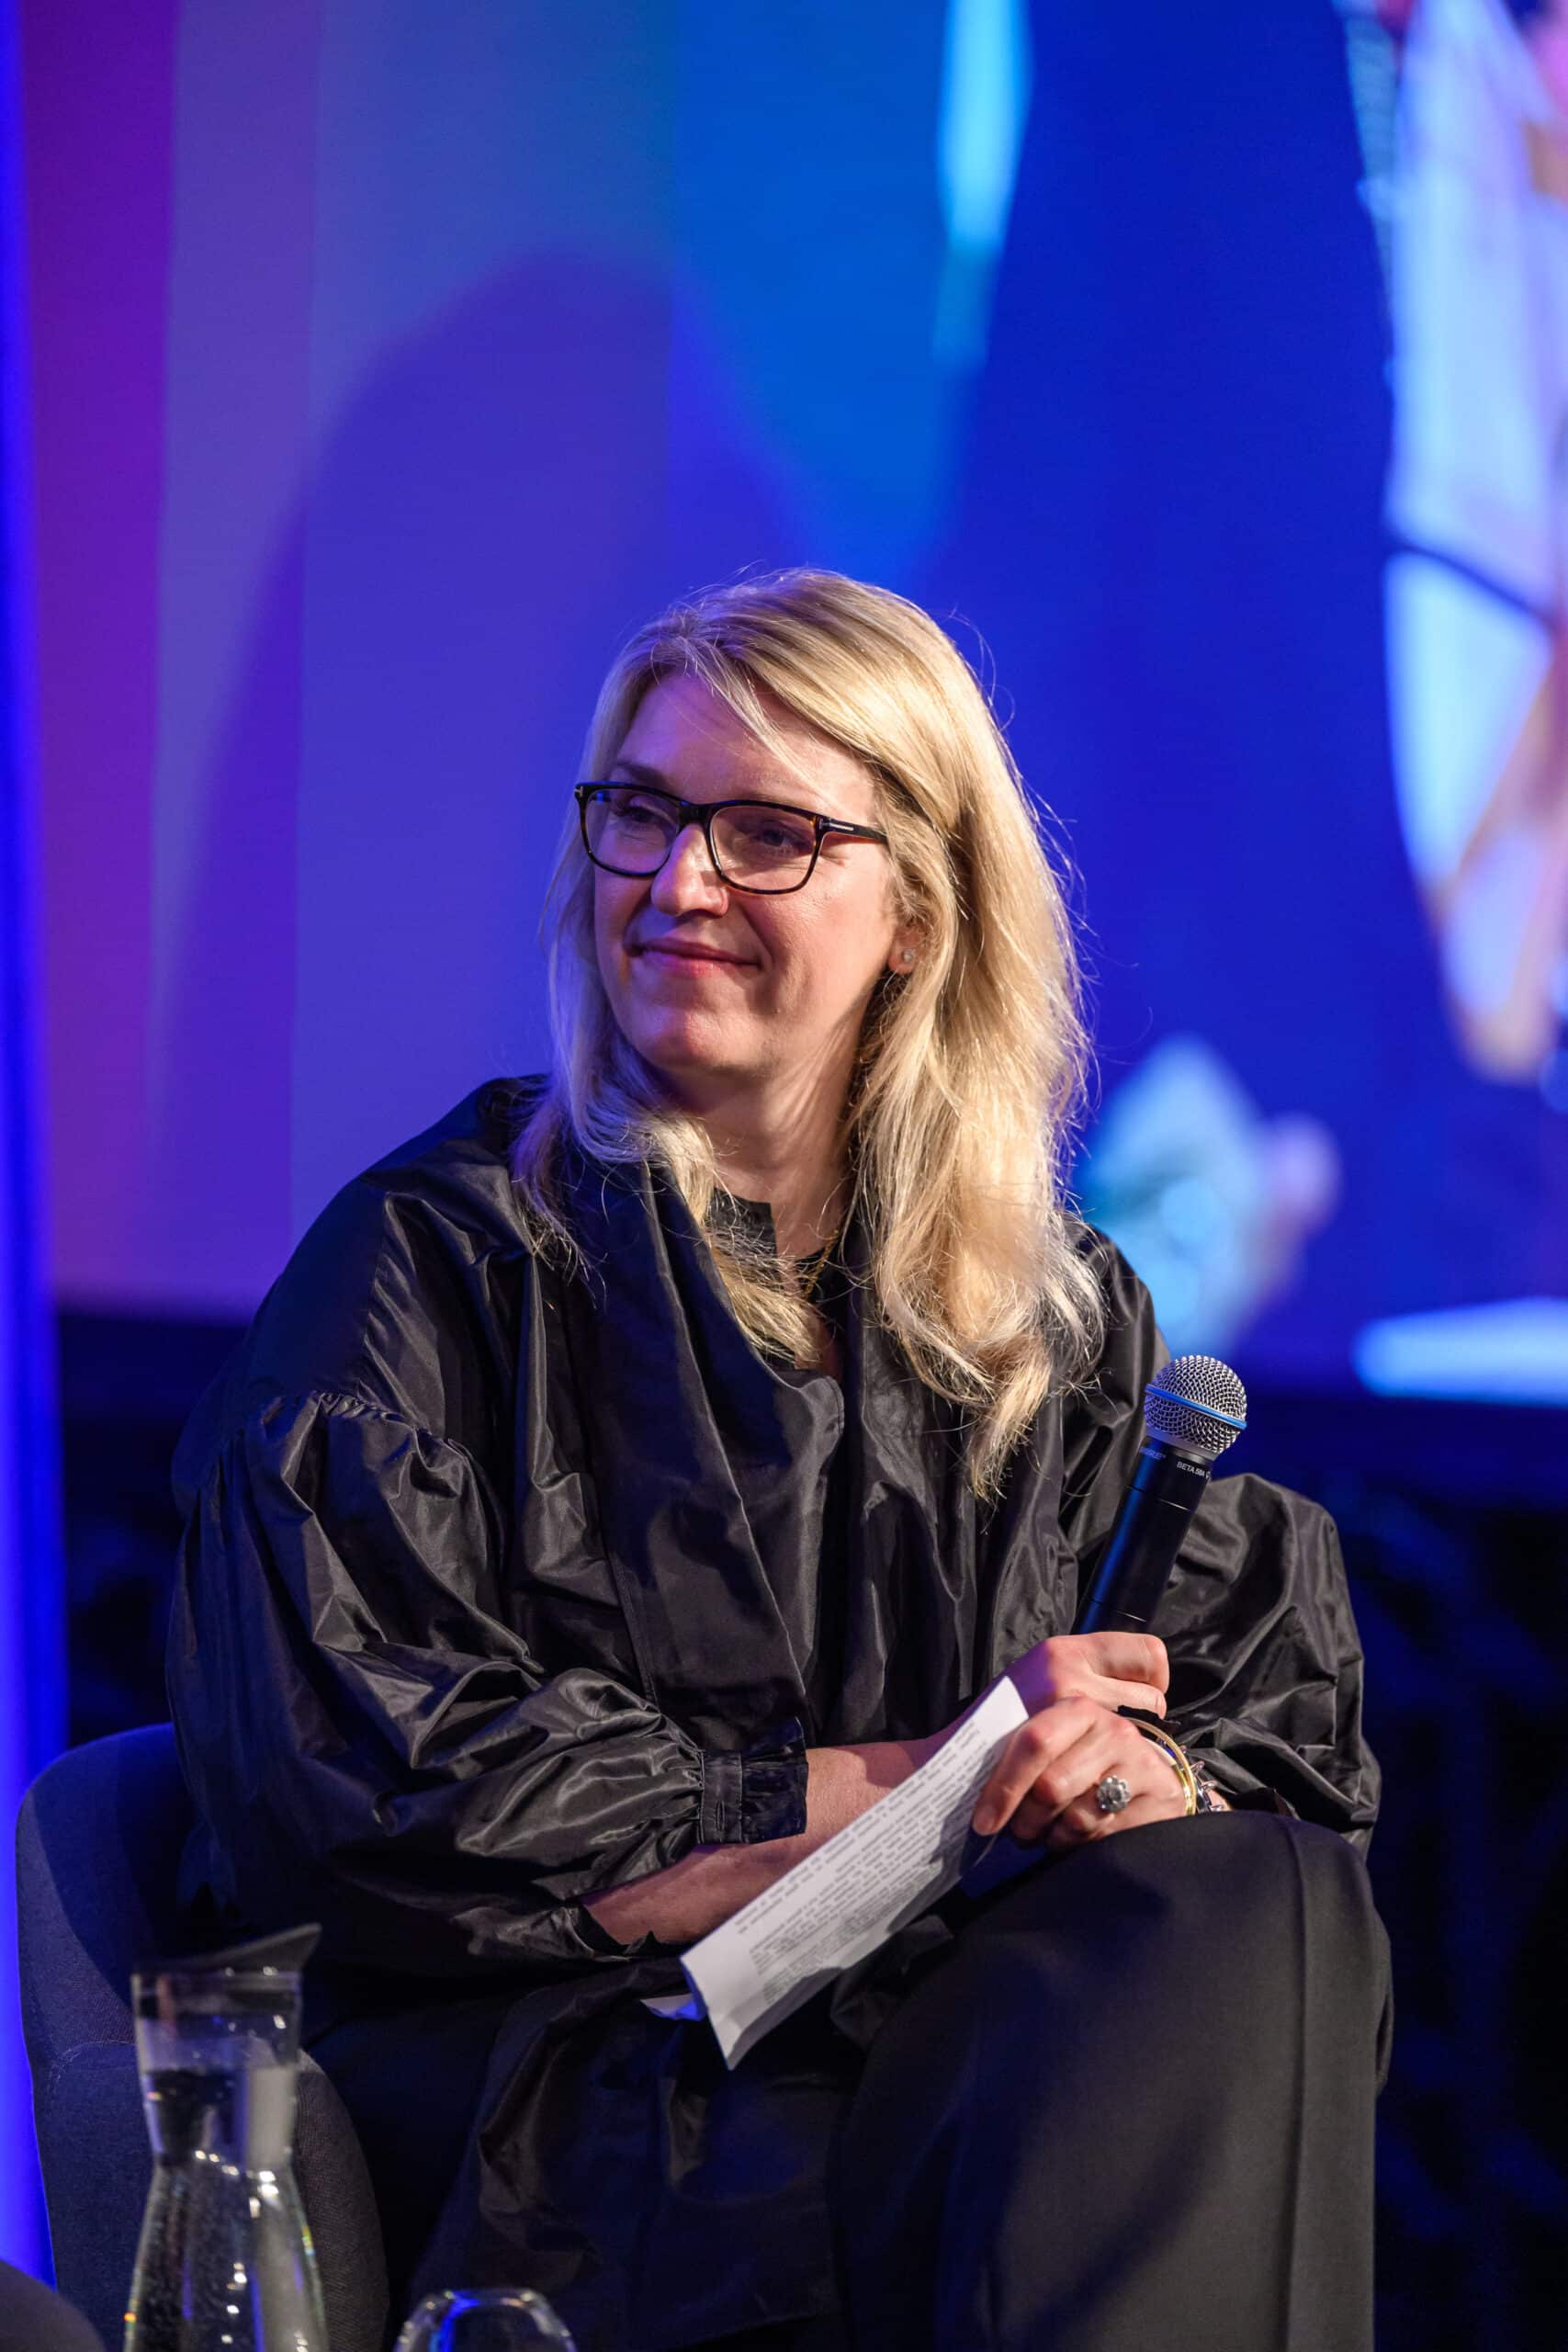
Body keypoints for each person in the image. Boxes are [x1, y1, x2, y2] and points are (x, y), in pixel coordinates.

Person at [167, 571, 1389, 2352]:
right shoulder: (432, 1273)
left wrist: (1128, 1781)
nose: (677, 885)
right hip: (583, 2089)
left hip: (951, 2040)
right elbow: (369, 1801)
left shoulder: (1045, 1321)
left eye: (764, 834)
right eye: (642, 813)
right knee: (1092, 2111)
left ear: (915, 913)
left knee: (1247, 1904)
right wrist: (938, 1780)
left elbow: (1269, 1737)